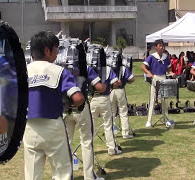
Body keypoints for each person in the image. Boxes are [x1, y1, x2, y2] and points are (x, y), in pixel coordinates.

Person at [24, 31, 84, 180]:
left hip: (29, 128)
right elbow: (78, 98)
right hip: (53, 127)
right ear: (47, 50)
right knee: (62, 173)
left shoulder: (23, 72)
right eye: (56, 49)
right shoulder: (60, 71)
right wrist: (69, 103)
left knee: (32, 175)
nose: (57, 53)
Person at [63, 46, 105, 180]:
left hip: (64, 109)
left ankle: (65, 175)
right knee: (86, 141)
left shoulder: (59, 69)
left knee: (65, 143)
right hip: (81, 107)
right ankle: (89, 176)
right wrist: (103, 85)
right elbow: (99, 87)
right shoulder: (85, 69)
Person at [89, 65, 123, 155]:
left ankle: (89, 150)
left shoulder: (88, 68)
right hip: (104, 98)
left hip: (91, 99)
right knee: (108, 125)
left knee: (91, 126)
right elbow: (115, 83)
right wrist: (119, 82)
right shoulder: (107, 68)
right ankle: (111, 149)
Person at [142, 39, 176, 128]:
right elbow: (143, 66)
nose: (162, 47)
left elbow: (169, 69)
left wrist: (171, 74)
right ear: (156, 47)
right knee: (152, 100)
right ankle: (149, 120)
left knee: (164, 100)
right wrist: (149, 74)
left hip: (163, 78)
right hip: (155, 77)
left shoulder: (166, 57)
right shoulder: (152, 57)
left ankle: (166, 119)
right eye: (160, 45)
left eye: (163, 45)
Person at [110, 66, 135, 139]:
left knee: (111, 113)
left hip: (110, 91)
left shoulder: (108, 67)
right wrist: (125, 81)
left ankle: (111, 133)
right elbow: (132, 79)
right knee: (123, 112)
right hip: (120, 90)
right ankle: (125, 133)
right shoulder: (123, 68)